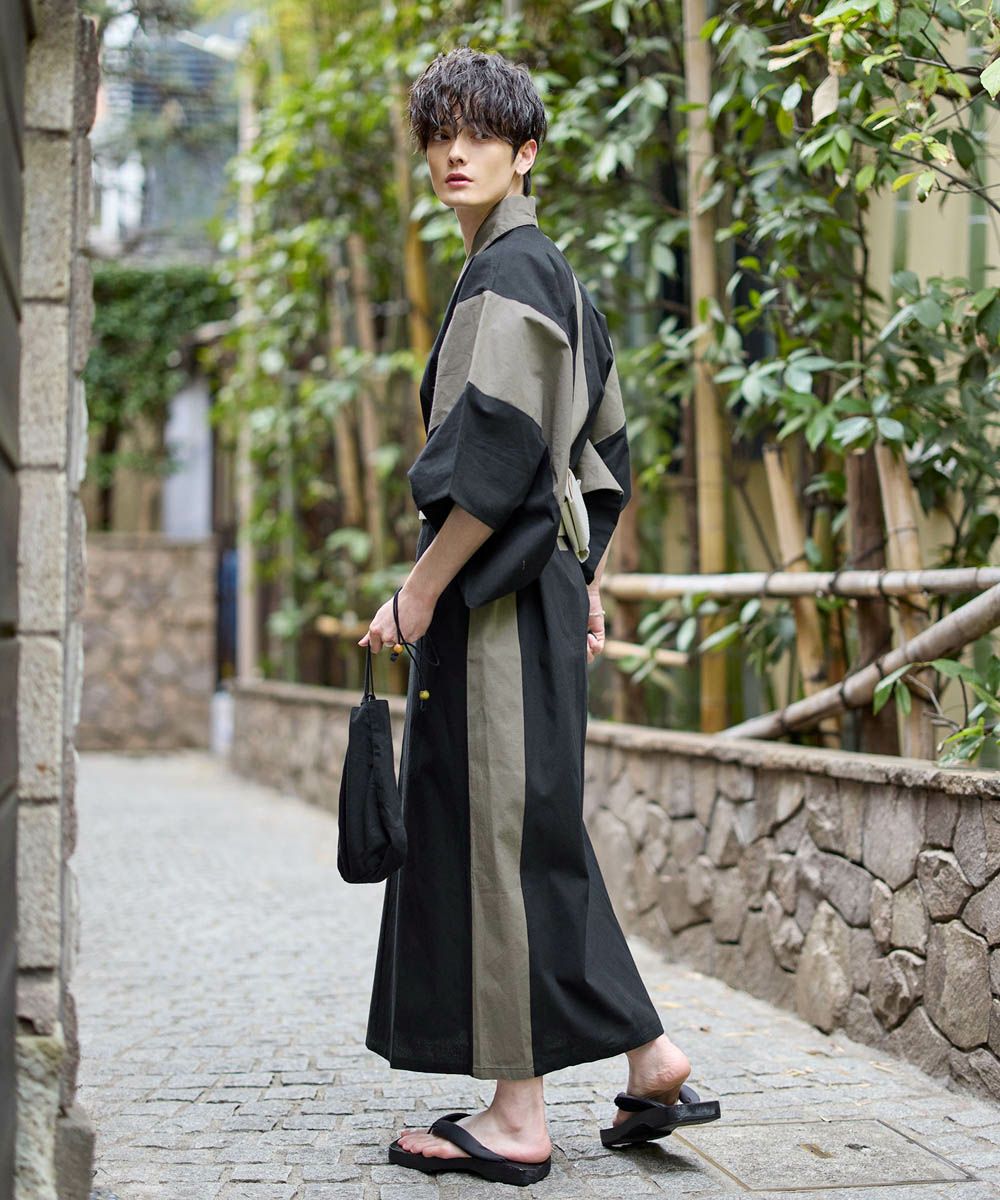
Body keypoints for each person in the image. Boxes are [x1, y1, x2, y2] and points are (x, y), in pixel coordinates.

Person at [359, 47, 718, 1187]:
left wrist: (419, 591)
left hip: (498, 605)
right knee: (539, 832)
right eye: (438, 135)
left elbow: (497, 457)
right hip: (540, 592)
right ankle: (651, 1057)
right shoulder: (553, 274)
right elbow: (603, 448)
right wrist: (586, 573)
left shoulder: (507, 273)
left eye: (479, 135)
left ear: (525, 154)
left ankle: (518, 1120)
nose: (453, 154)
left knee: (500, 842)